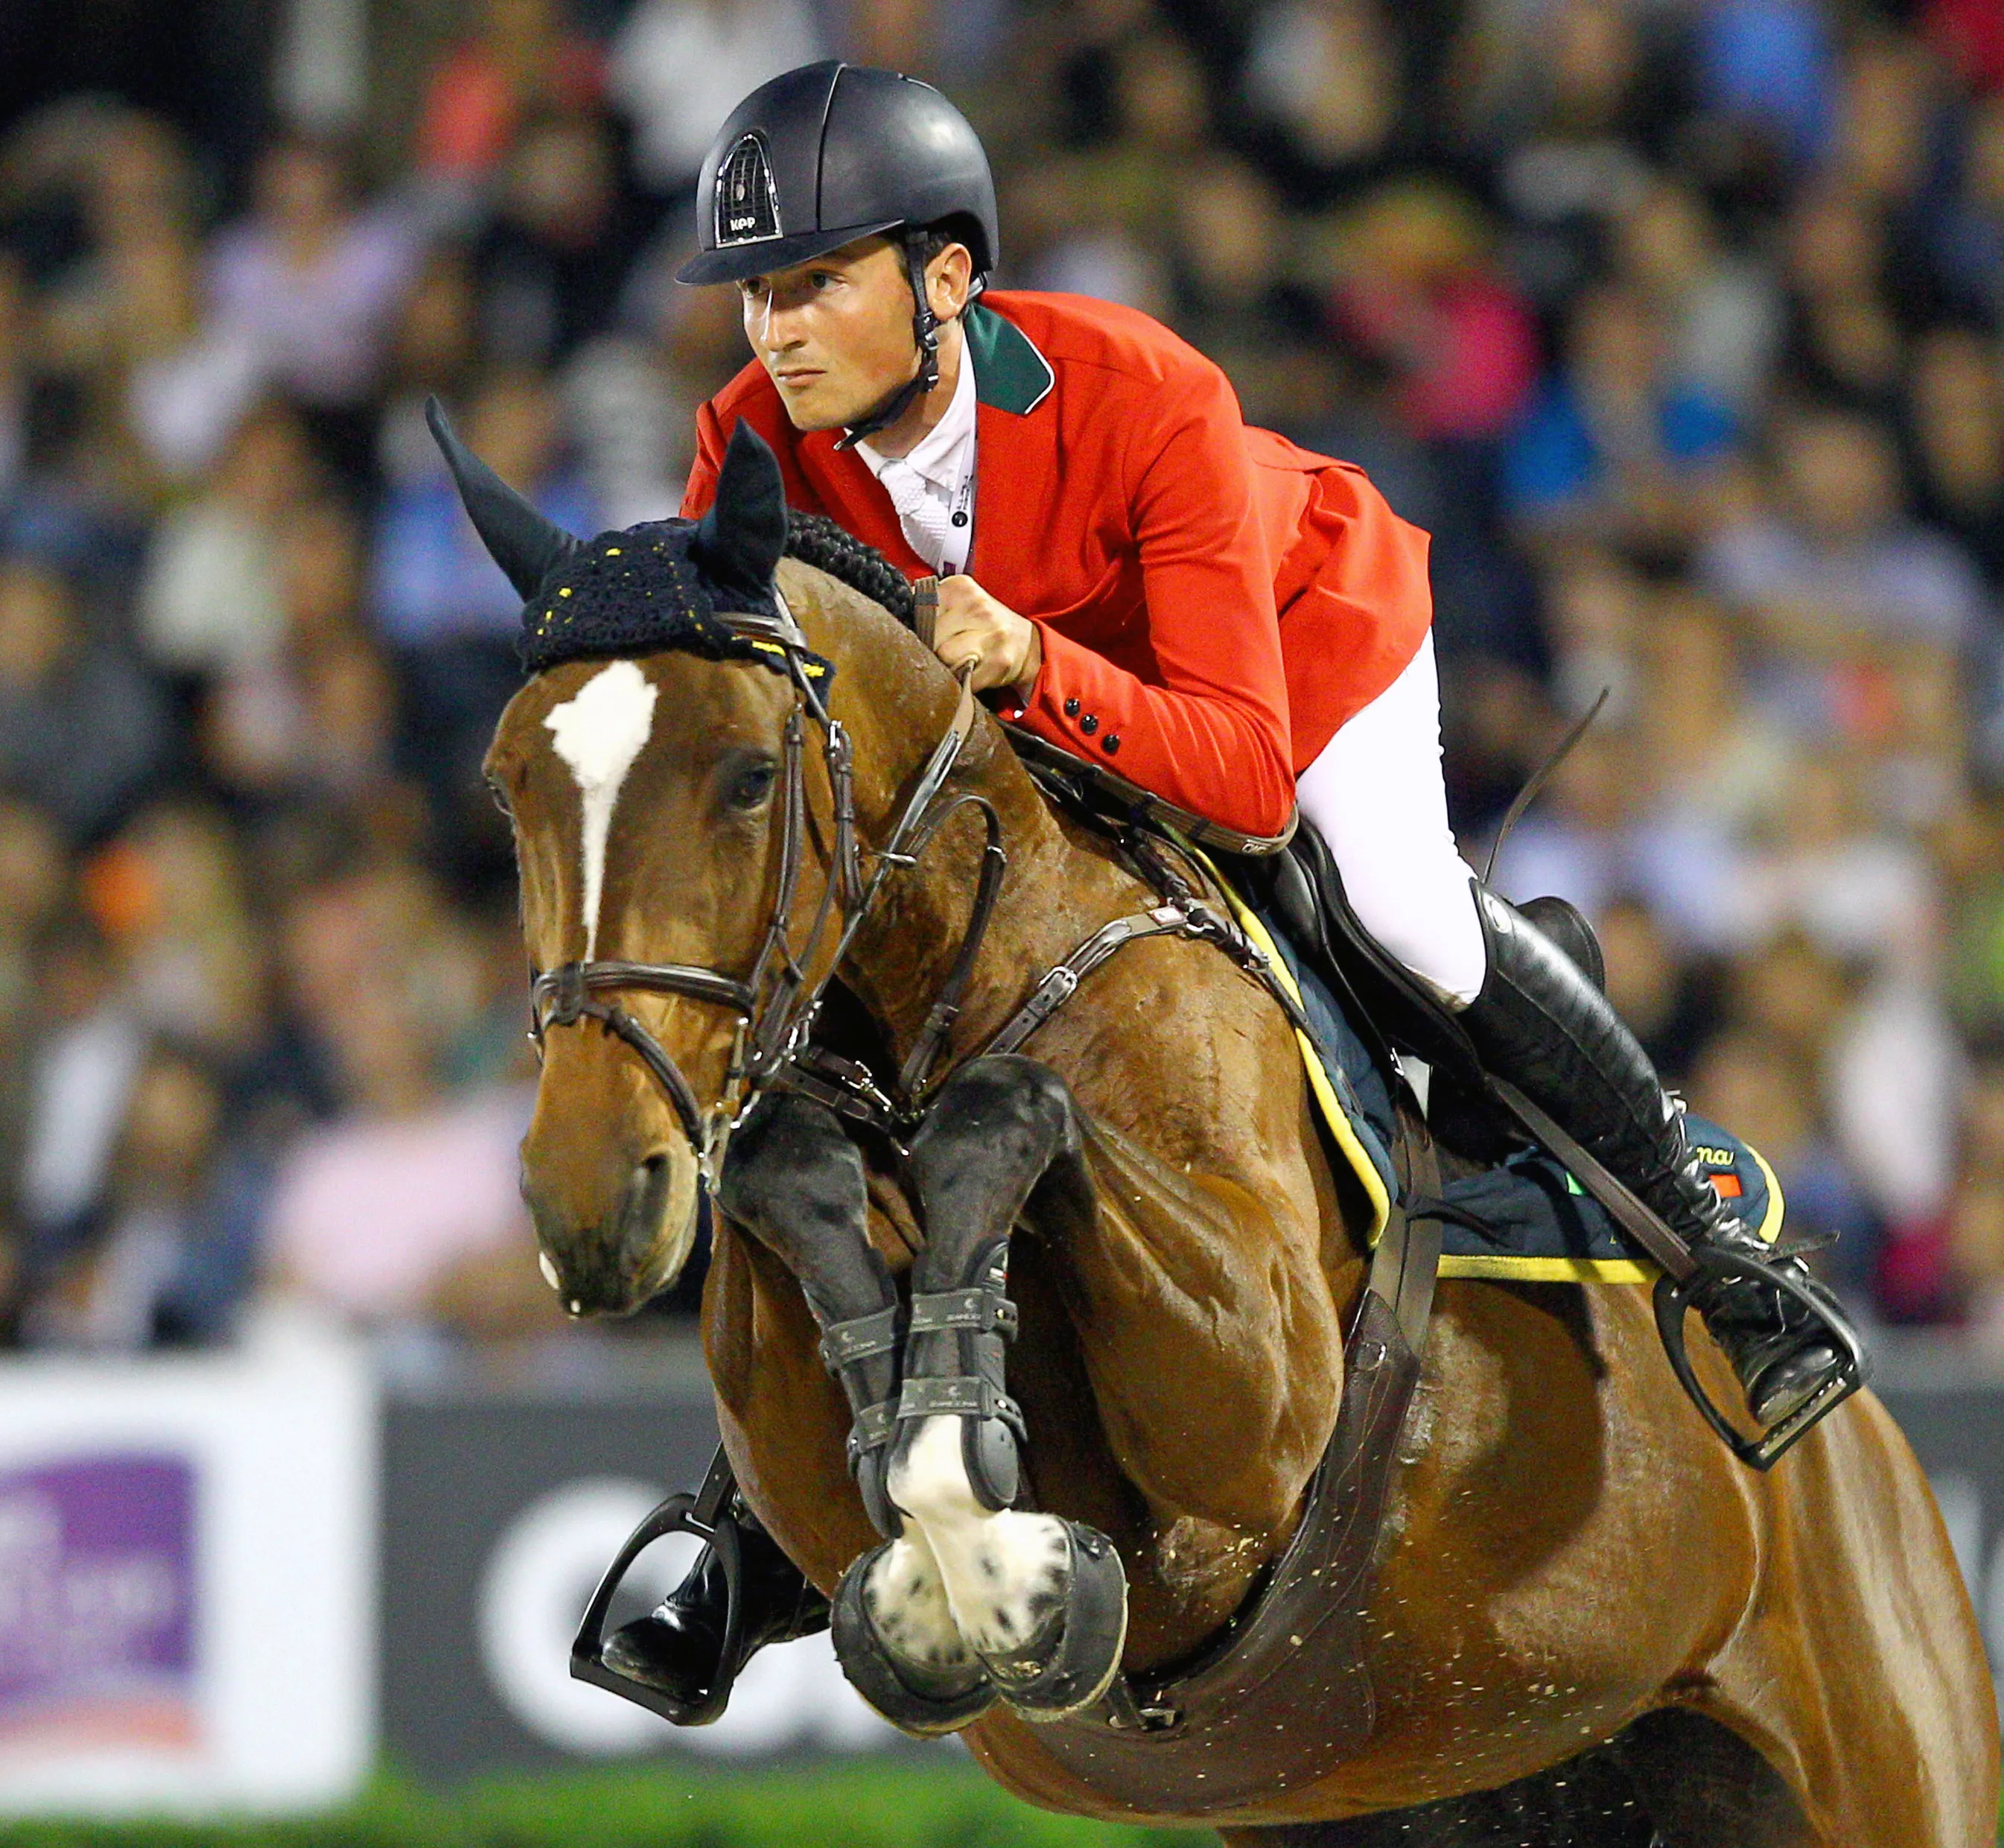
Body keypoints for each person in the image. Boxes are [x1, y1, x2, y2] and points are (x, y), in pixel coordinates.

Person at [585, 61, 1863, 1716]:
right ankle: (765, 1506)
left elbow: (1247, 778)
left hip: (1291, 663)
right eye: (757, 293)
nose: (774, 329)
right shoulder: (742, 441)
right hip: (1019, 755)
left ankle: (1709, 1246)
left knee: (1398, 907)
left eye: (814, 282)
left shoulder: (1137, 387)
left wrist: (1033, 659)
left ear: (946, 277)